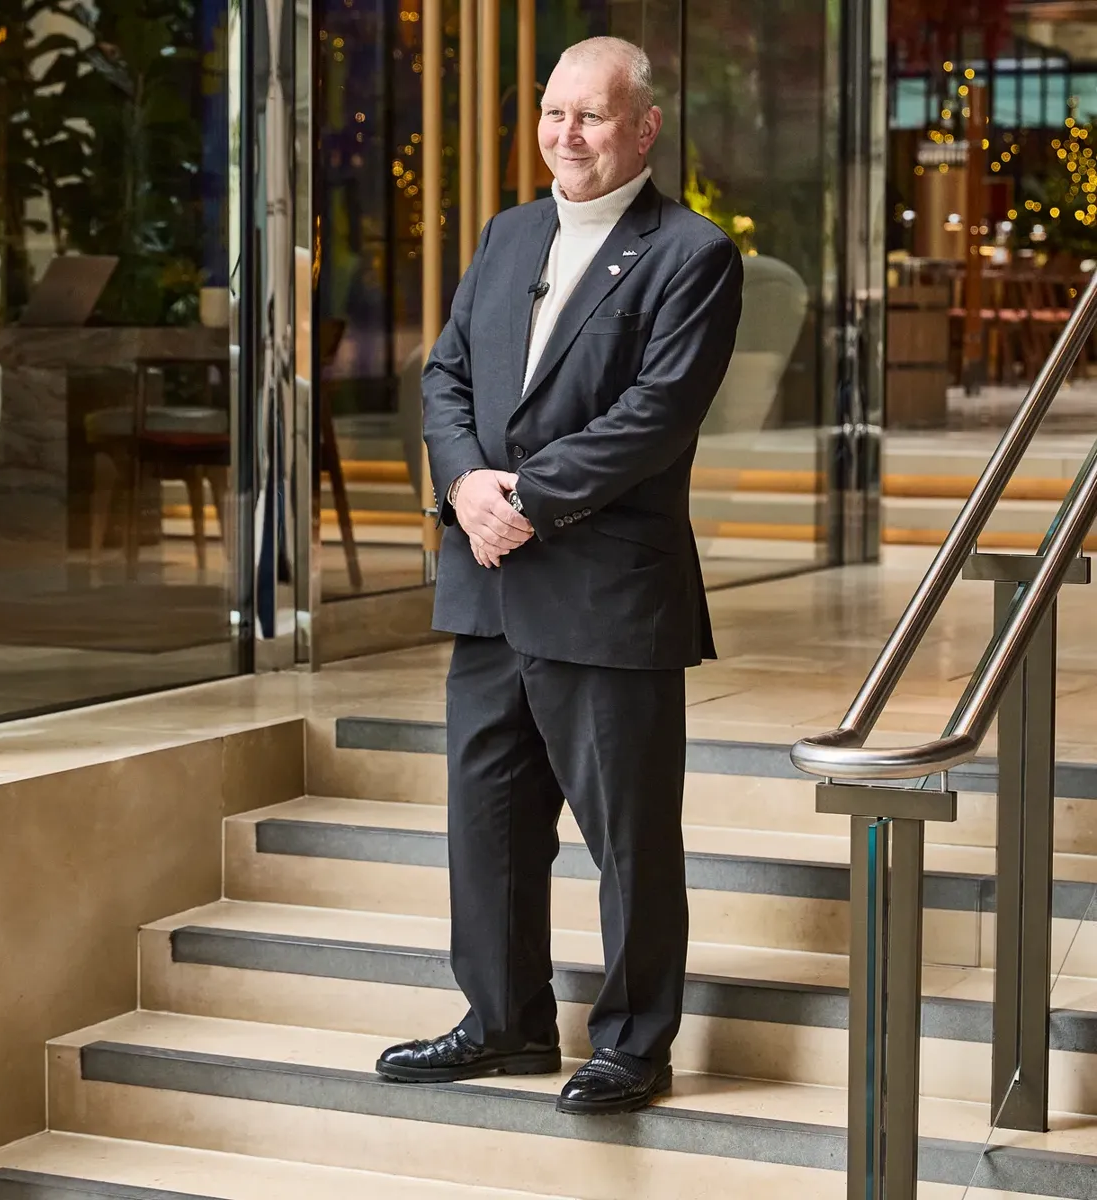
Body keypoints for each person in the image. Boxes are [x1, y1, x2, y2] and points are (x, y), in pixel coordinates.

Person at [376, 36, 743, 1115]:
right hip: (488, 585)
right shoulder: (508, 234)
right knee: (485, 821)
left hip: (605, 593)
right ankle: (502, 1023)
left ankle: (634, 1043)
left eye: (589, 115)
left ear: (642, 127)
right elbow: (444, 375)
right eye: (551, 114)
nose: (565, 135)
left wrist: (522, 498)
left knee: (627, 837)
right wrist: (465, 489)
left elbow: (656, 417)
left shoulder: (691, 253)